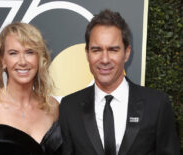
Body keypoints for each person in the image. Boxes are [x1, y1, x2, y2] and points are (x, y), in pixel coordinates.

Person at [59, 9, 180, 155]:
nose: (104, 59)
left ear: (127, 53)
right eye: (96, 50)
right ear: (87, 54)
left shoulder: (157, 104)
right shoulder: (69, 107)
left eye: (113, 50)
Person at [0, 22, 62, 155]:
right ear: (3, 60)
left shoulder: (52, 107)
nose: (22, 61)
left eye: (29, 52)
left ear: (39, 58)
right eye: (13, 53)